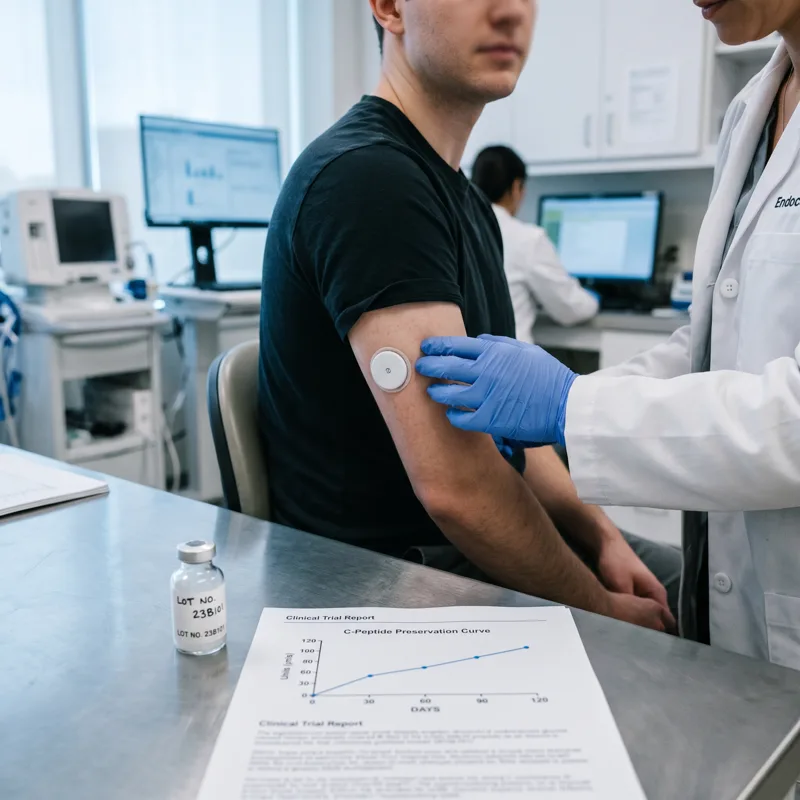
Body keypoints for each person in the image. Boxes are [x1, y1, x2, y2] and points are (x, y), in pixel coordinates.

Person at [258, 0, 679, 632]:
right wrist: (602, 613)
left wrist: (600, 536)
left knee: (700, 589)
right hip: (396, 581)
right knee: (700, 627)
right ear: (389, 8)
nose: (511, 13)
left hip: (462, 552)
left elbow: (506, 435)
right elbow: (460, 489)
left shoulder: (465, 204)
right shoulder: (369, 181)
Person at [417, 0, 800, 670]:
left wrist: (572, 407)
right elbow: (713, 344)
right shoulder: (751, 111)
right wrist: (579, 399)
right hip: (736, 587)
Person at [471, 145, 599, 343]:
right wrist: (594, 298)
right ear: (516, 187)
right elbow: (570, 309)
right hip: (509, 363)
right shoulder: (527, 238)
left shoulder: (458, 228)